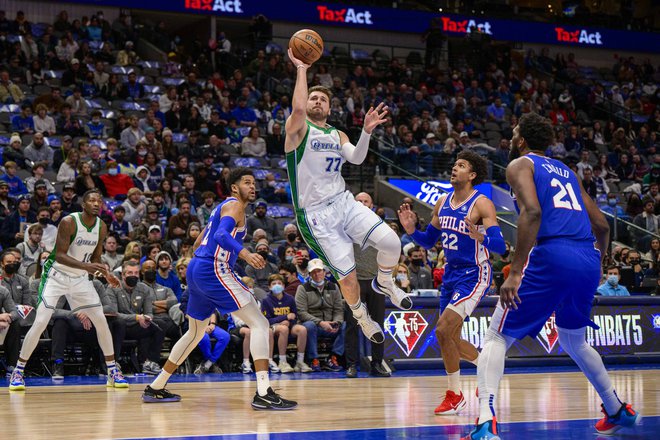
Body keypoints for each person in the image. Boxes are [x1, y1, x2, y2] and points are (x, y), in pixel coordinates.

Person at [462, 113, 639, 439]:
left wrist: (514, 272)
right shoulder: (568, 172)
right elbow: (601, 225)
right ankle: (616, 409)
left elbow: (532, 212)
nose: (512, 138)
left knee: (497, 336)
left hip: (553, 253)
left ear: (522, 140)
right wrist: (597, 261)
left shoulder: (519, 165)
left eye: (514, 132)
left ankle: (485, 423)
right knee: (574, 339)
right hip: (586, 256)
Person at [141, 167, 296, 410]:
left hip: (197, 268)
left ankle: (156, 386)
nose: (252, 186)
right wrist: (243, 253)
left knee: (195, 332)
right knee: (260, 323)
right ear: (234, 187)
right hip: (214, 269)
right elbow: (223, 234)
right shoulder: (235, 206)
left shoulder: (220, 208)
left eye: (254, 183)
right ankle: (264, 392)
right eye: (247, 182)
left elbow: (198, 242)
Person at [285, 49, 412, 344]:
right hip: (315, 216)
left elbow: (355, 158)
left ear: (329, 109)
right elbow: (299, 110)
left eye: (323, 99)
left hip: (343, 202)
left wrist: (366, 132)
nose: (317, 101)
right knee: (349, 278)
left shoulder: (337, 133)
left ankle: (385, 281)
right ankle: (360, 316)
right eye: (313, 97)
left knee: (392, 242)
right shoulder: (297, 131)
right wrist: (302, 69)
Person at [399, 150, 504, 415]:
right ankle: (482, 374)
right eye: (454, 164)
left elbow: (502, 246)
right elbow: (427, 240)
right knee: (450, 338)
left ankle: (455, 393)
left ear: (472, 174)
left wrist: (482, 239)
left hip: (474, 274)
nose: (454, 168)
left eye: (461, 165)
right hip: (450, 275)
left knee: (443, 330)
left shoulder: (481, 204)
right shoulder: (442, 201)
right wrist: (412, 231)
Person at [9, 190, 128, 391]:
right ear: (83, 204)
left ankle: (112, 370)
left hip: (80, 278)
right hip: (56, 276)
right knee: (40, 322)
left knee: (100, 319)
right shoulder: (69, 222)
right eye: (92, 200)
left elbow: (96, 259)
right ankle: (18, 371)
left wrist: (105, 274)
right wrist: (87, 267)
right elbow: (60, 256)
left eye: (99, 201)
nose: (97, 203)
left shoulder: (101, 226)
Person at [345, 192, 390, 378]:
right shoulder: (344, 227)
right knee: (352, 325)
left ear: (372, 206)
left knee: (378, 324)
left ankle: (377, 363)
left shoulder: (381, 227)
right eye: (359, 201)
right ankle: (351, 365)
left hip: (375, 283)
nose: (362, 204)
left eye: (366, 201)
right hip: (353, 283)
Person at [261, 274, 311, 373]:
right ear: (269, 287)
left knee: (302, 329)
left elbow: (295, 316)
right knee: (283, 329)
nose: (277, 285)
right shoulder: (266, 300)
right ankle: (282, 361)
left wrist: (289, 321)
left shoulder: (290, 299)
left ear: (284, 286)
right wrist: (284, 318)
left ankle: (300, 362)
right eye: (274, 283)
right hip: (272, 327)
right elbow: (266, 320)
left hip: (288, 325)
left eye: (279, 283)